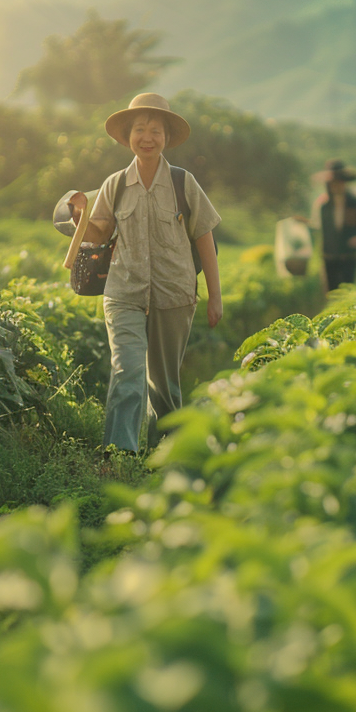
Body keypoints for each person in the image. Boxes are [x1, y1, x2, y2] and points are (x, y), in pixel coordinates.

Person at [52, 92, 222, 455]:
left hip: (174, 295)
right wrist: (81, 215)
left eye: (155, 130)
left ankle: (165, 453)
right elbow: (98, 233)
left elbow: (204, 237)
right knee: (127, 373)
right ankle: (119, 455)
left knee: (164, 386)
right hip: (124, 292)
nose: (148, 137)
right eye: (140, 129)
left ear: (166, 138)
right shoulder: (115, 184)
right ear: (128, 136)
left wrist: (215, 296)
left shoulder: (182, 182)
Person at [309, 158, 356, 291]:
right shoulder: (322, 205)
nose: (337, 185)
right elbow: (316, 226)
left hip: (349, 255)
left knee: (348, 290)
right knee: (331, 292)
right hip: (329, 256)